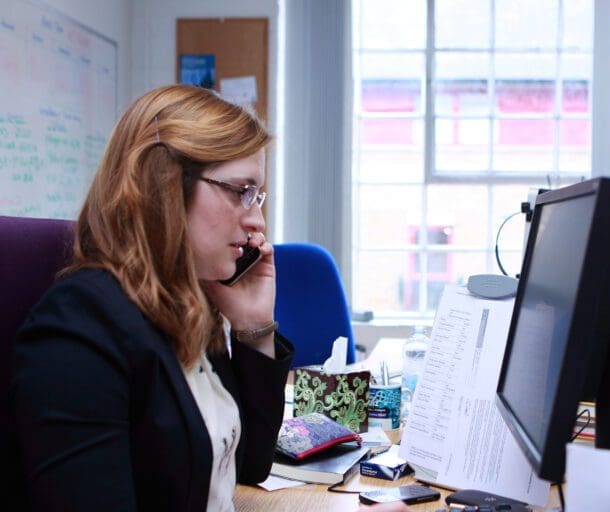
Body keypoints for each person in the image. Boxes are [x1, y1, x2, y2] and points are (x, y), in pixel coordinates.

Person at [11, 84, 414, 512]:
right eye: (241, 191)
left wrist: (254, 328)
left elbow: (248, 463)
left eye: (257, 196)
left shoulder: (189, 306)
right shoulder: (79, 329)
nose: (258, 222)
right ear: (165, 185)